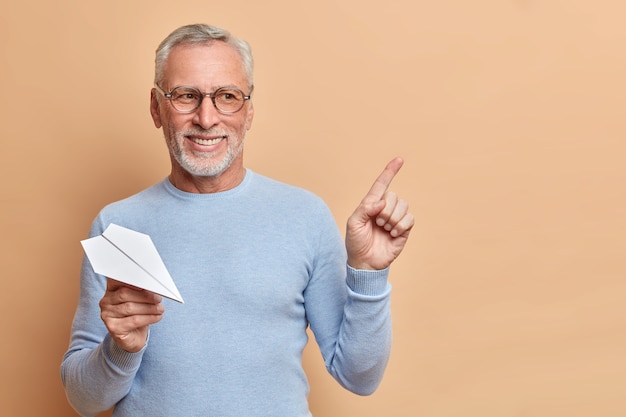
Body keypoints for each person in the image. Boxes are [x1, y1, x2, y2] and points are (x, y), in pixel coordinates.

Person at [61, 23, 414, 417]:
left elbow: (359, 377)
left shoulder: (305, 217)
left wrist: (367, 273)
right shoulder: (117, 227)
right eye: (186, 96)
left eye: (227, 96)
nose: (207, 118)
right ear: (156, 107)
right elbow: (83, 400)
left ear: (249, 111)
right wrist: (119, 350)